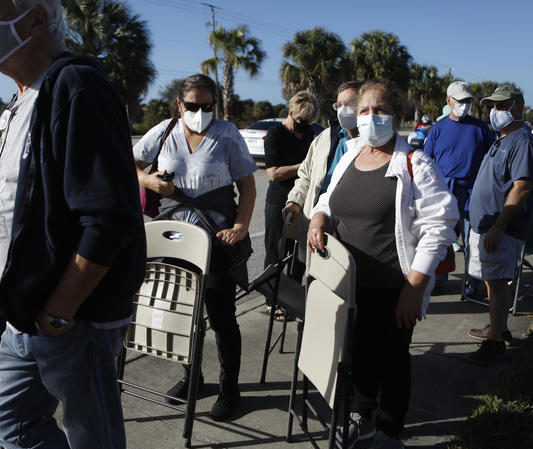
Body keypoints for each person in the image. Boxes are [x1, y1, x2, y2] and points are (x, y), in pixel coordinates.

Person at [0, 1, 145, 449]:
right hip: (28, 309)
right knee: (8, 419)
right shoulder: (25, 97)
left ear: (37, 19)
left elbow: (110, 216)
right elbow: (31, 202)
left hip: (71, 320)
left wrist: (61, 309)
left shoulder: (75, 86)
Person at [307, 80, 458, 449]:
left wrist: (414, 287)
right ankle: (363, 416)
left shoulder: (414, 164)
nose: (371, 118)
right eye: (364, 111)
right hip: (348, 284)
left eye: (380, 111)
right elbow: (327, 195)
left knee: (392, 361)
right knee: (358, 355)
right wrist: (319, 217)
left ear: (399, 117)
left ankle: (390, 435)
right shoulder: (351, 152)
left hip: (394, 286)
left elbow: (440, 225)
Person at [133, 74, 257, 421]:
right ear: (179, 104)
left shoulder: (227, 134)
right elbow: (131, 167)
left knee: (221, 316)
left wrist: (239, 227)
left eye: (207, 106)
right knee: (179, 313)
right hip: (173, 238)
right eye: (192, 106)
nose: (200, 112)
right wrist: (149, 180)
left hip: (215, 239)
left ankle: (229, 388)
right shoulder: (163, 131)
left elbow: (248, 187)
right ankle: (192, 378)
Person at [467, 85, 533, 364]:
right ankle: (498, 327)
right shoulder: (502, 139)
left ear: (519, 108)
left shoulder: (523, 141)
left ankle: (495, 343)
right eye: (493, 106)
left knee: (497, 281)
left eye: (502, 106)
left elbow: (522, 187)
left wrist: (499, 227)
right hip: (487, 226)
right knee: (491, 279)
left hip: (501, 228)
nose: (495, 111)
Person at [423, 81, 496, 295]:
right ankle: (438, 280)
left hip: (473, 192)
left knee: (472, 238)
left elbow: (492, 158)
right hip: (445, 192)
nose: (465, 105)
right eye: (461, 101)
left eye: (468, 101)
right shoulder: (437, 129)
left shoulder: (481, 128)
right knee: (442, 238)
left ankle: (473, 283)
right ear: (449, 101)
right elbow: (426, 162)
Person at [282, 81, 363, 260]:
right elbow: (305, 175)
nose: (343, 110)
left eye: (349, 104)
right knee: (313, 281)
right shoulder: (326, 137)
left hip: (350, 233)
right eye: (339, 105)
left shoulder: (375, 145)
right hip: (315, 226)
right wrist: (294, 201)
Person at [262, 90, 317, 320]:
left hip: (302, 201)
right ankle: (271, 299)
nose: (304, 126)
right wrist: (304, 165)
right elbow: (273, 173)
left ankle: (291, 298)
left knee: (298, 255)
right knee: (276, 251)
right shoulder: (276, 134)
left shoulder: (308, 134)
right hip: (279, 201)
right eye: (301, 121)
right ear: (291, 112)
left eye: (309, 122)